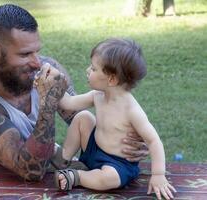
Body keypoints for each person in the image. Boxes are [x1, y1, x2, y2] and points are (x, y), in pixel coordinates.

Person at [0, 4, 148, 182]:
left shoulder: (46, 69)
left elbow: (77, 118)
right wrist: (48, 103)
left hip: (55, 173)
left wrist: (126, 141)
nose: (37, 62)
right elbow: (31, 171)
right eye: (25, 54)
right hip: (4, 185)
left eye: (36, 51)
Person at [48, 38, 176, 200]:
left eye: (94, 69)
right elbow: (68, 103)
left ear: (112, 79)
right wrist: (54, 84)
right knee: (84, 117)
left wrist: (158, 174)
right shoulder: (98, 96)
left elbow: (153, 141)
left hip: (117, 164)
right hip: (94, 149)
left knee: (109, 179)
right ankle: (64, 158)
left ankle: (76, 176)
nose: (88, 70)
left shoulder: (131, 110)